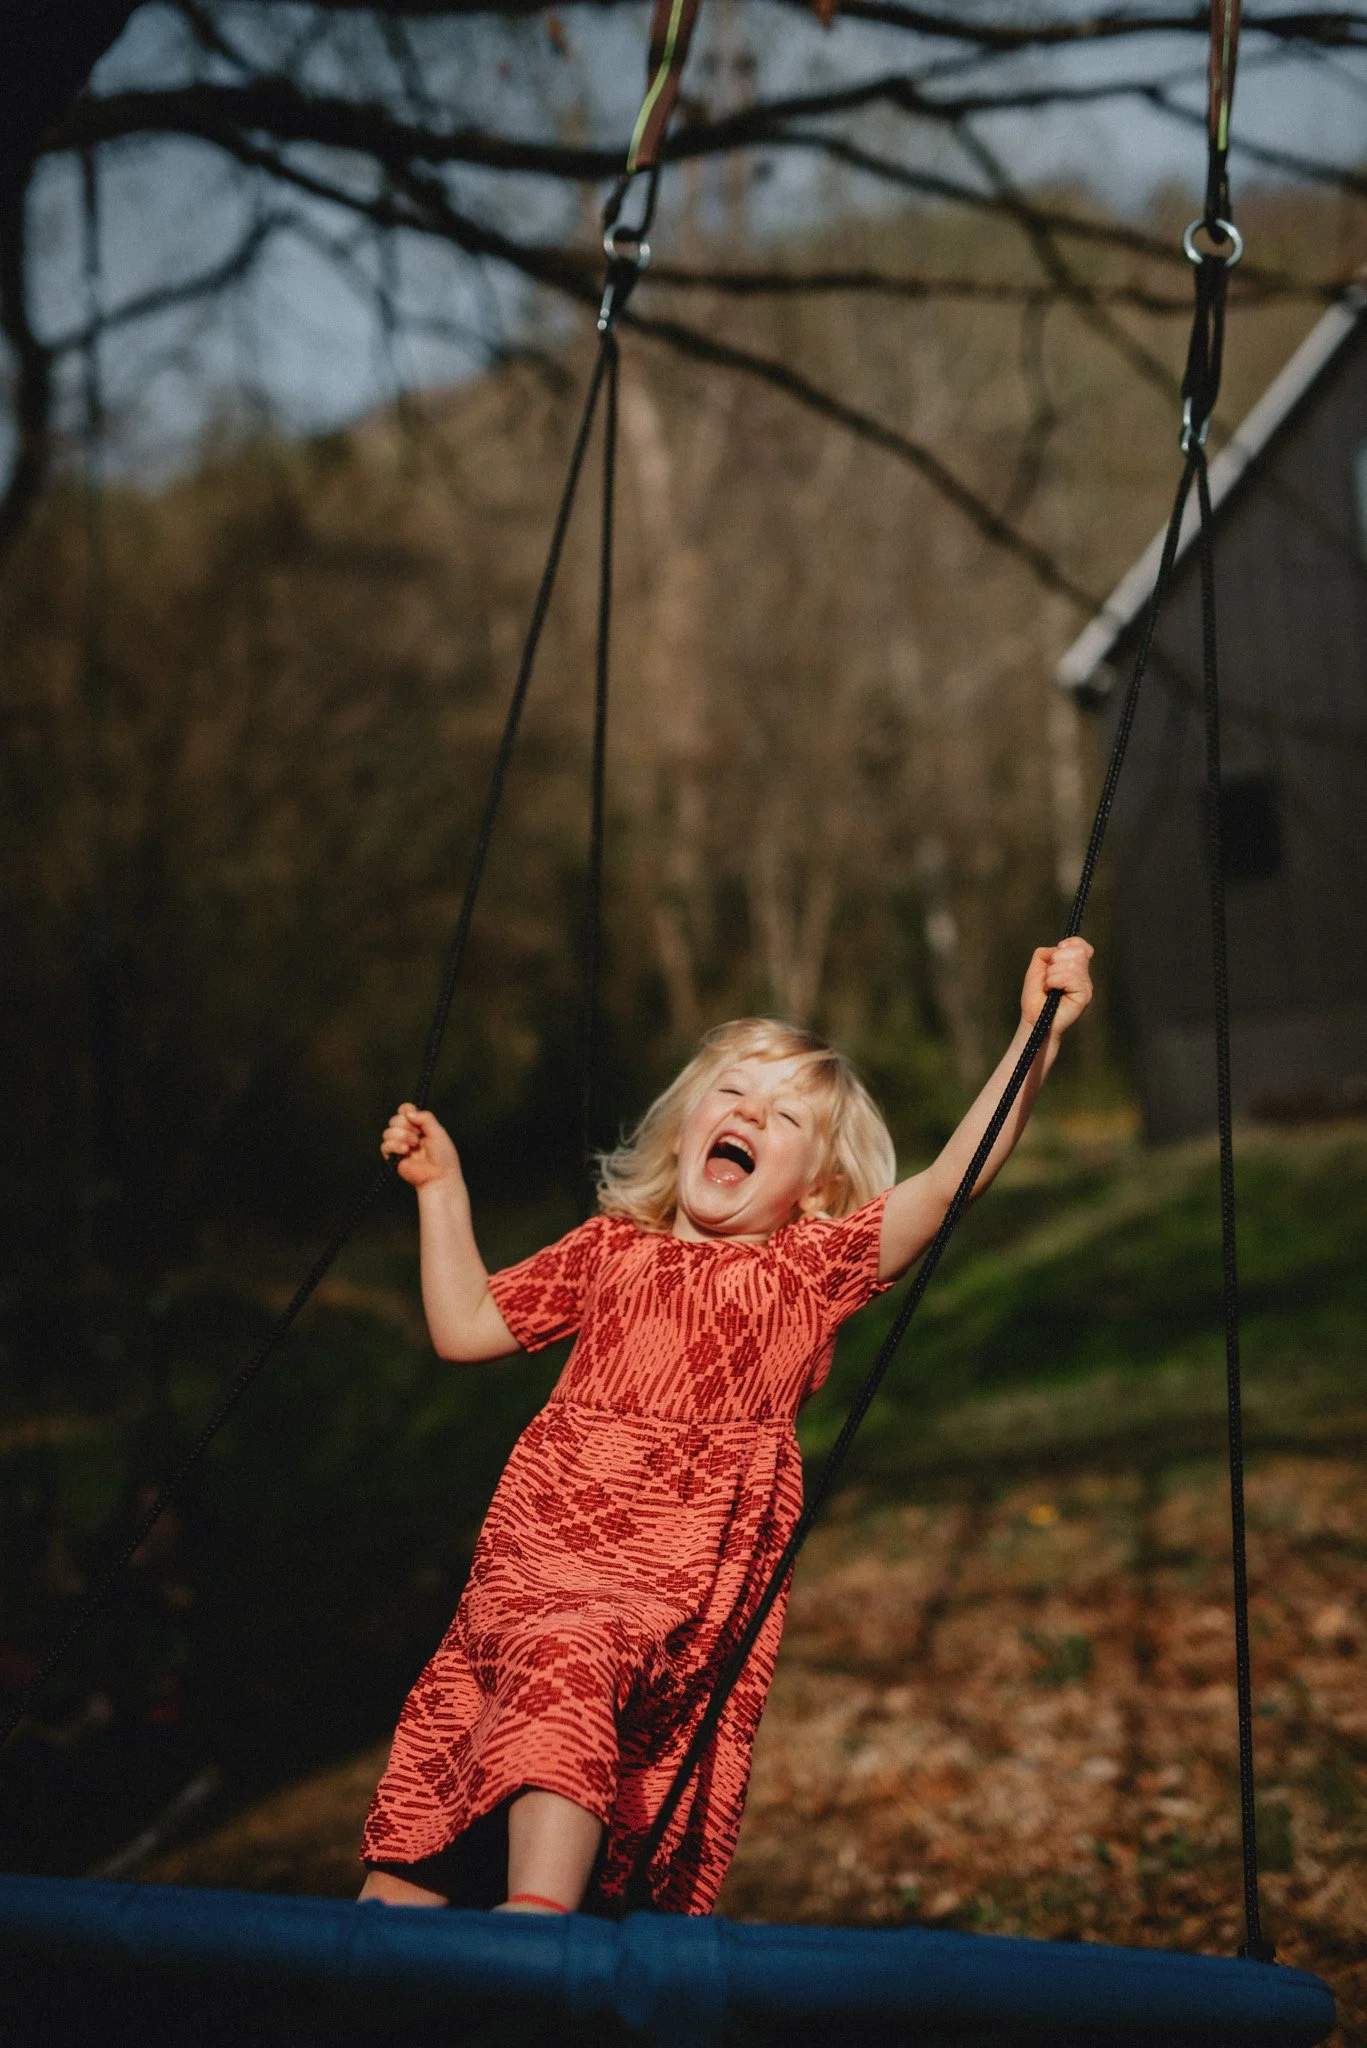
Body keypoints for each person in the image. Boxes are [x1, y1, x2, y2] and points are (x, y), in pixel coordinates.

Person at [359, 938, 1094, 1916]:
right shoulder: (608, 1248)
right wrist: (442, 1191)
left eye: (783, 1113)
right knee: (461, 1718)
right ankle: (371, 1959)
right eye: (731, 1091)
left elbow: (950, 1178)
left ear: (819, 1190)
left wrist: (1032, 1035)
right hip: (530, 1555)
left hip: (662, 1586)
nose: (748, 1111)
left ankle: (536, 1924)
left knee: (574, 1654)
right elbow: (464, 1326)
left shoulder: (806, 1268)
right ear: (679, 1133)